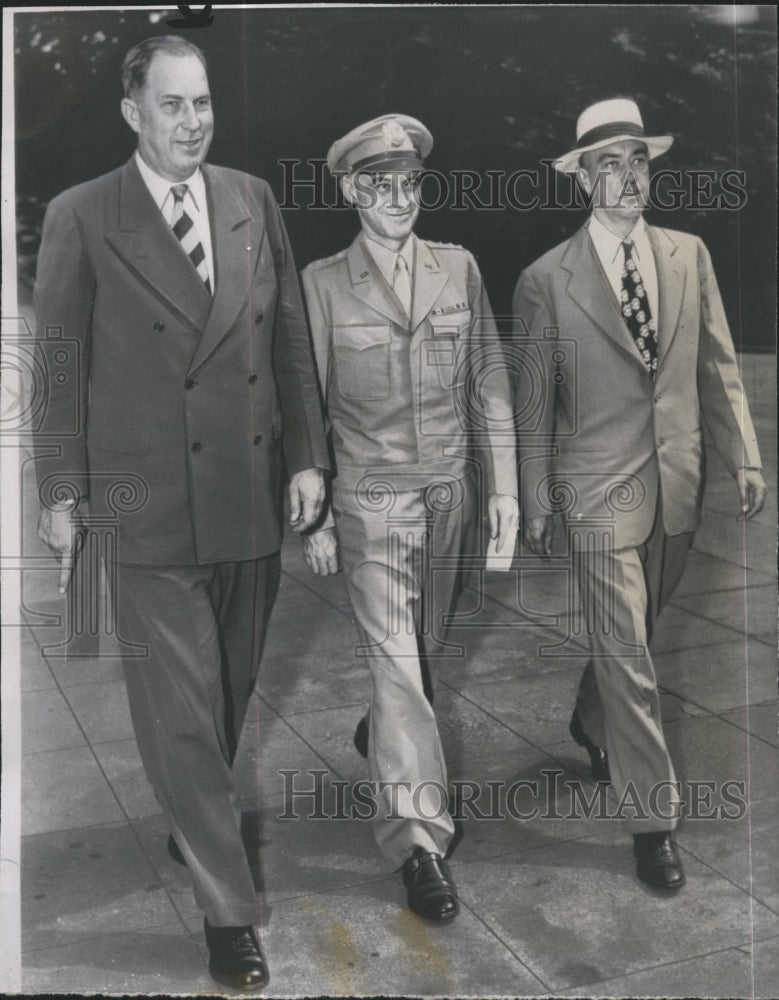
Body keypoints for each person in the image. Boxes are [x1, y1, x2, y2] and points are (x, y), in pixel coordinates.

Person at [33, 35, 328, 991]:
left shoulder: (251, 199)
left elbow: (289, 340)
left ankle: (191, 811)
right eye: (172, 105)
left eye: (202, 103)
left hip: (247, 494)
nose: (193, 122)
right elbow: (59, 367)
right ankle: (227, 913)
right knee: (184, 715)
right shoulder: (84, 214)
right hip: (144, 505)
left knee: (225, 696)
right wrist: (60, 491)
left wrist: (308, 457)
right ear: (133, 112)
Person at [513, 98, 766, 890]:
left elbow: (716, 364)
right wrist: (534, 496)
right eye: (608, 164)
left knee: (635, 638)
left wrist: (744, 457)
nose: (626, 177)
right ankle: (652, 824)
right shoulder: (545, 281)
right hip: (595, 493)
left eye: (637, 161)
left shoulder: (688, 255)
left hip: (678, 481)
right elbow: (532, 403)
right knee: (628, 656)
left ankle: (591, 717)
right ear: (581, 177)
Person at [299, 114, 518, 922]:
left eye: (409, 182)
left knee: (418, 655)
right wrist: (316, 518)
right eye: (378, 183)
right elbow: (307, 406)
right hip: (371, 502)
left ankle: (384, 730)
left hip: (451, 496)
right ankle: (417, 842)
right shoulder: (322, 284)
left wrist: (505, 491)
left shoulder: (457, 268)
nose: (397, 197)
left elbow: (489, 382)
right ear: (351, 190)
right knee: (396, 662)